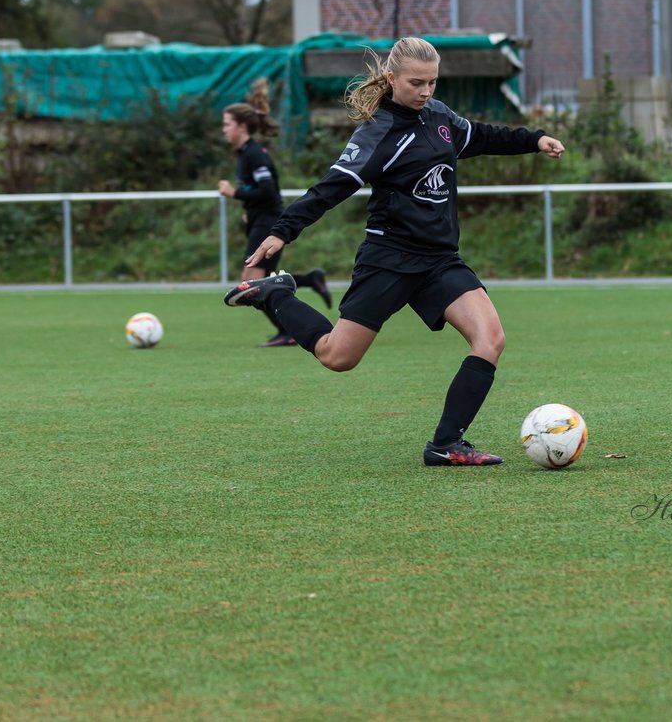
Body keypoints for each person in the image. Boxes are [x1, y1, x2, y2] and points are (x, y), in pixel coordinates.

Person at [223, 37, 565, 465]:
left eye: (433, 82)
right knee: (337, 356)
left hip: (439, 260)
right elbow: (331, 188)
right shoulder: (378, 132)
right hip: (390, 258)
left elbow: (480, 135)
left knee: (490, 339)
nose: (426, 92)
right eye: (416, 82)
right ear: (391, 79)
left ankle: (445, 445)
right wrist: (283, 231)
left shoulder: (438, 115)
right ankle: (276, 294)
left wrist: (534, 139)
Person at [217, 80, 331, 347]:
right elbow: (258, 191)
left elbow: (268, 191)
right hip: (260, 220)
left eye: (227, 124)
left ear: (241, 126)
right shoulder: (246, 154)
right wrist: (249, 209)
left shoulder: (255, 154)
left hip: (268, 224)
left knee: (251, 282)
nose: (223, 130)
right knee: (256, 281)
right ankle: (308, 283)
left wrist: (235, 194)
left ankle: (288, 329)